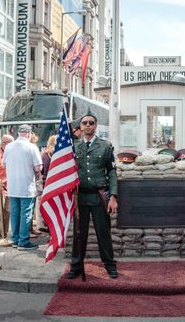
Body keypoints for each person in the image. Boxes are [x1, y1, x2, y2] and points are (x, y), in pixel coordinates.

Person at [67, 113, 119, 280]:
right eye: (84, 123)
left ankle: (109, 265)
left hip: (99, 196)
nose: (88, 125)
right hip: (80, 196)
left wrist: (113, 197)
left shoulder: (105, 146)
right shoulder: (73, 147)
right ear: (80, 126)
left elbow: (111, 172)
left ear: (95, 126)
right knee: (78, 234)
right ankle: (76, 266)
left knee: (103, 232)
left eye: (91, 123)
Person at [2, 125, 42, 250]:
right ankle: (23, 241)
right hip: (26, 186)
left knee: (15, 213)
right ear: (29, 134)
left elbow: (4, 164)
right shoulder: (32, 147)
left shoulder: (8, 146)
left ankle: (15, 239)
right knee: (26, 214)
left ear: (18, 133)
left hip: (13, 186)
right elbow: (38, 167)